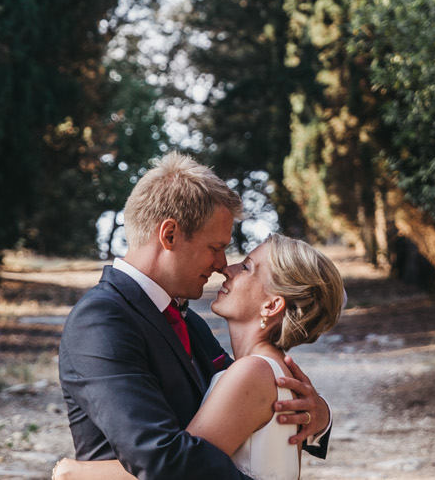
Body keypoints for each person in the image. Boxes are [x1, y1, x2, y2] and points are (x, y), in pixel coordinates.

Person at [58, 155, 336, 480]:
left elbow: (245, 403)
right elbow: (160, 458)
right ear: (170, 235)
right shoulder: (101, 320)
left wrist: (321, 417)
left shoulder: (191, 323)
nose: (222, 264)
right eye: (215, 247)